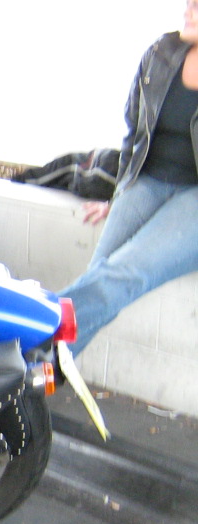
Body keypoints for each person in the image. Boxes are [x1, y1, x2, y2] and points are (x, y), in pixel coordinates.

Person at [60, 0, 198, 355]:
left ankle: (23, 339)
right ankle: (39, 372)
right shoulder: (162, 53)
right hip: (146, 180)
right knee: (99, 276)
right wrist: (118, 193)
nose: (187, 8)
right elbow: (134, 132)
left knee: (125, 273)